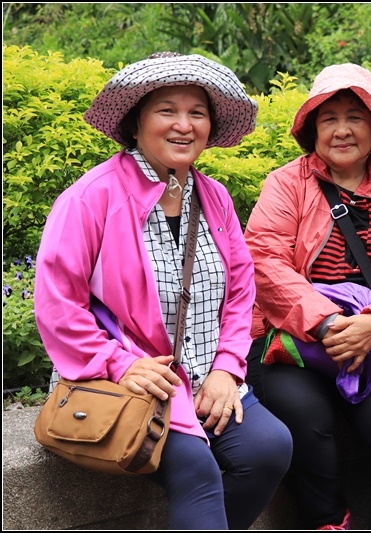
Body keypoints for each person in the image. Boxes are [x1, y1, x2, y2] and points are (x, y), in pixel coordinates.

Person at [34, 52, 293, 530]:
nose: (183, 125)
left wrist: (227, 369)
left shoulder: (213, 197)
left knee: (269, 447)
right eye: (166, 110)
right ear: (136, 124)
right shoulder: (91, 198)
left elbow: (240, 293)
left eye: (197, 113)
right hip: (120, 381)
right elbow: (57, 304)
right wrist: (120, 363)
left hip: (202, 377)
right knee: (196, 469)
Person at [244, 63, 371, 530]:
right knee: (306, 414)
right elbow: (265, 262)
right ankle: (330, 521)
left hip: (370, 342)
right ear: (311, 127)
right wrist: (327, 325)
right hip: (288, 343)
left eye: (354, 117)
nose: (341, 130)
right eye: (328, 117)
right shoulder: (286, 185)